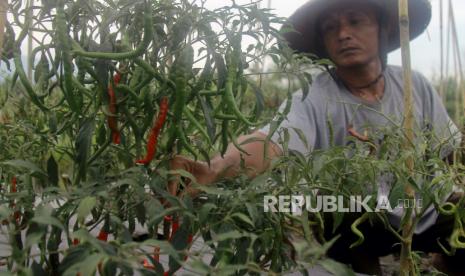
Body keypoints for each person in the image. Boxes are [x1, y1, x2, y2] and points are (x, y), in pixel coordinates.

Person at [169, 0, 464, 274]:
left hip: (424, 210)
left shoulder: (414, 84)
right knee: (338, 208)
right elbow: (270, 140)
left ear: (384, 27)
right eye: (330, 28)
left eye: (355, 21)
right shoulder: (315, 97)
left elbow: (449, 151)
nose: (343, 34)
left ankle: (443, 258)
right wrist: (215, 168)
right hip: (358, 219)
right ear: (323, 41)